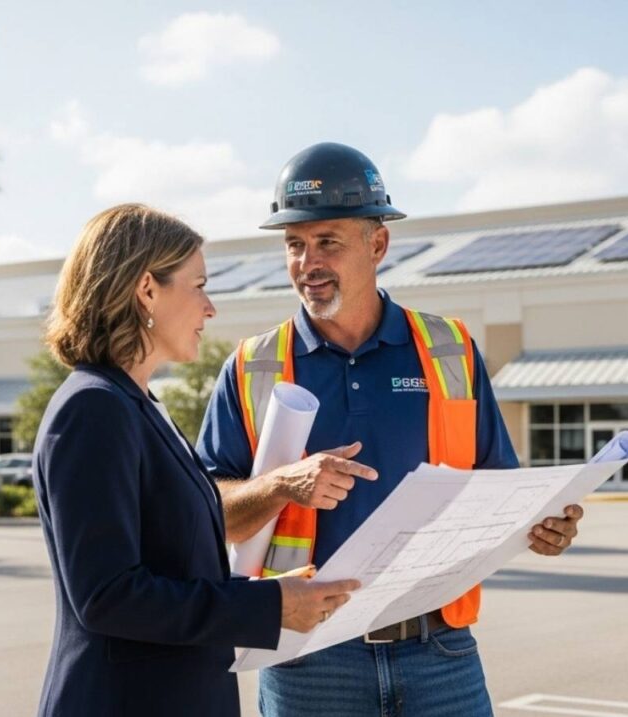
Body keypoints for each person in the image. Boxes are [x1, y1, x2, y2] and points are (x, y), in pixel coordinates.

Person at [196, 143, 584, 716]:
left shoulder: (448, 349)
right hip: (307, 662)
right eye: (295, 245)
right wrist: (281, 485)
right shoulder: (254, 367)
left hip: (440, 655)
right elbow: (205, 514)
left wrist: (543, 523)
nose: (308, 263)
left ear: (377, 244)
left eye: (327, 242)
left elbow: (497, 489)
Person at [33, 203, 359, 717]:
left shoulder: (136, 404)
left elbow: (172, 569)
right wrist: (267, 608)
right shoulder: (93, 408)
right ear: (147, 290)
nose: (210, 309)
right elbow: (108, 596)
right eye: (199, 285)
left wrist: (268, 595)